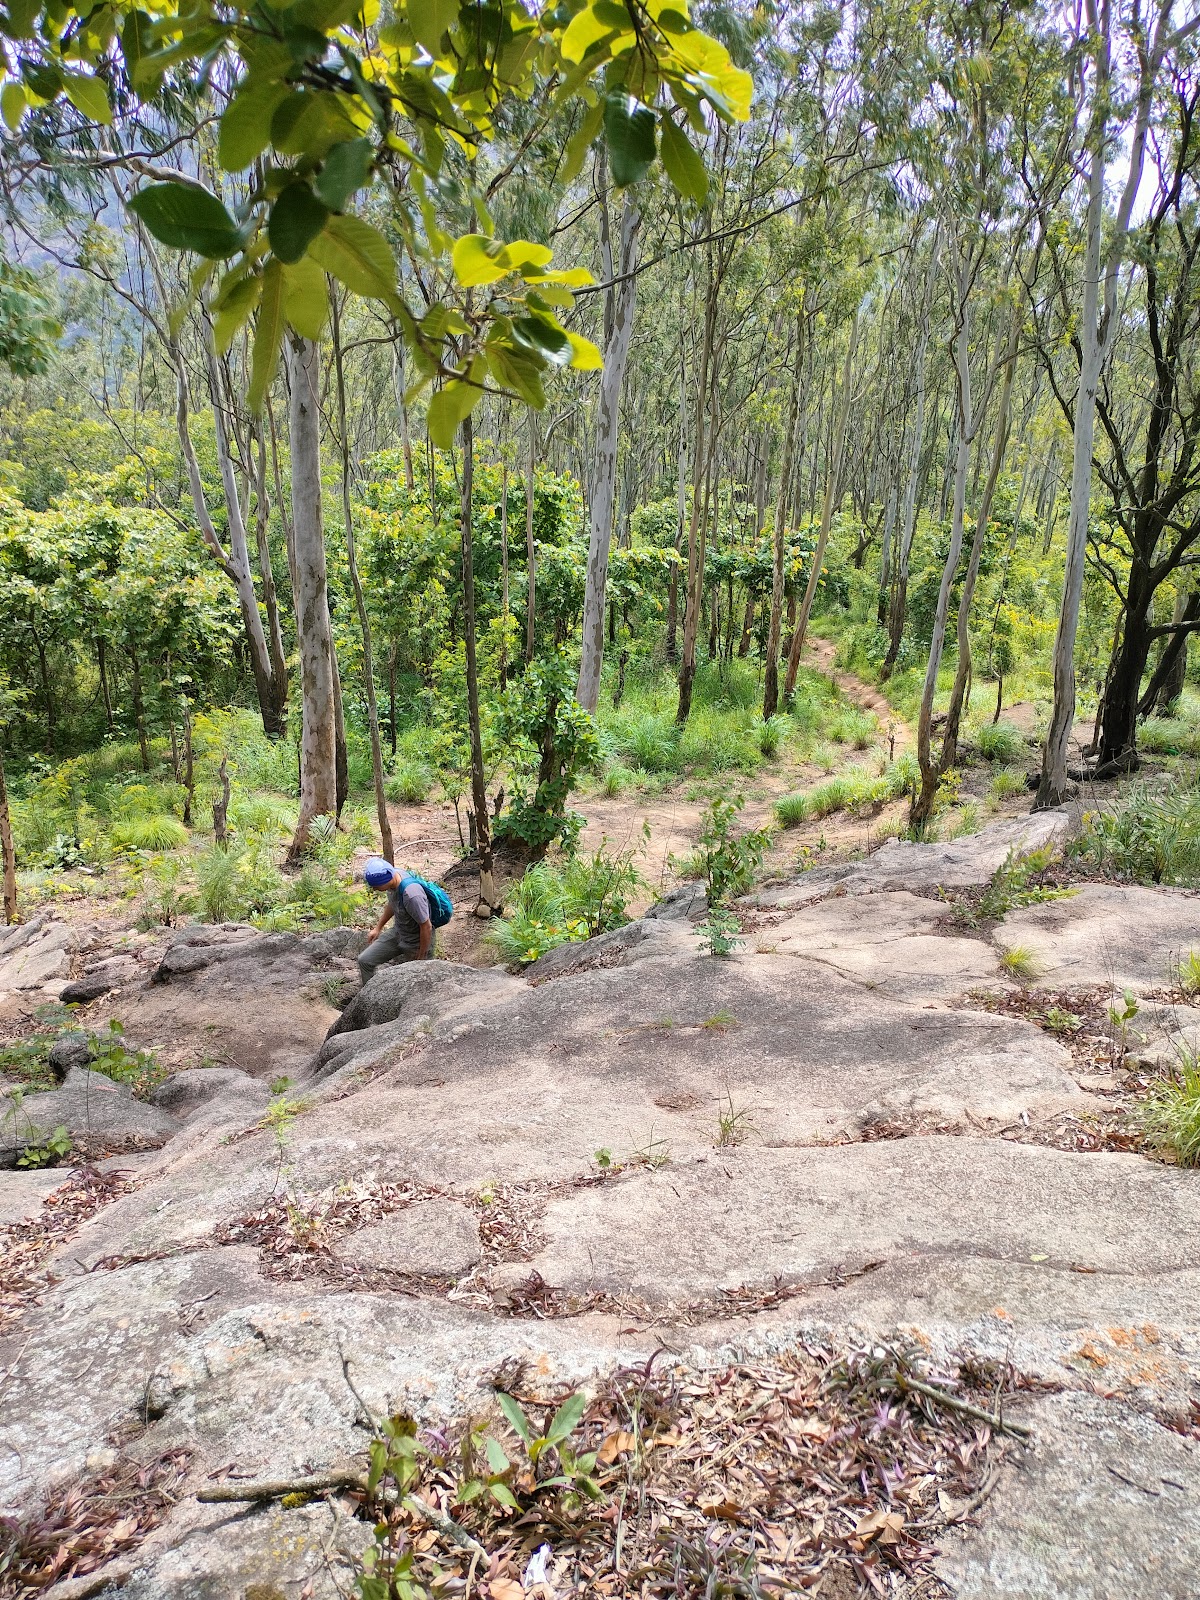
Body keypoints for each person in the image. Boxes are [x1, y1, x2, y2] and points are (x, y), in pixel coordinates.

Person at [358, 857, 435, 986]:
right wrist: (378, 928)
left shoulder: (412, 895)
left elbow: (426, 926)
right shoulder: (393, 878)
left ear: (386, 880)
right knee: (364, 960)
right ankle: (369, 998)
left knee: (418, 983)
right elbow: (393, 904)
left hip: (417, 941)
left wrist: (421, 957)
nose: (375, 889)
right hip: (398, 932)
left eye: (376, 886)